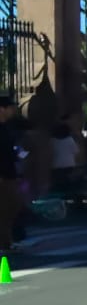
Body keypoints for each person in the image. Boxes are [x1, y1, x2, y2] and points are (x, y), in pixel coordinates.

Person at [0, 95, 22, 253]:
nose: (13, 110)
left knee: (11, 207)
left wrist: (21, 155)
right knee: (5, 208)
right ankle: (5, 242)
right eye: (10, 107)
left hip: (10, 173)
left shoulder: (6, 127)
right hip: (3, 176)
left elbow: (10, 149)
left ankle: (7, 241)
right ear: (2, 109)